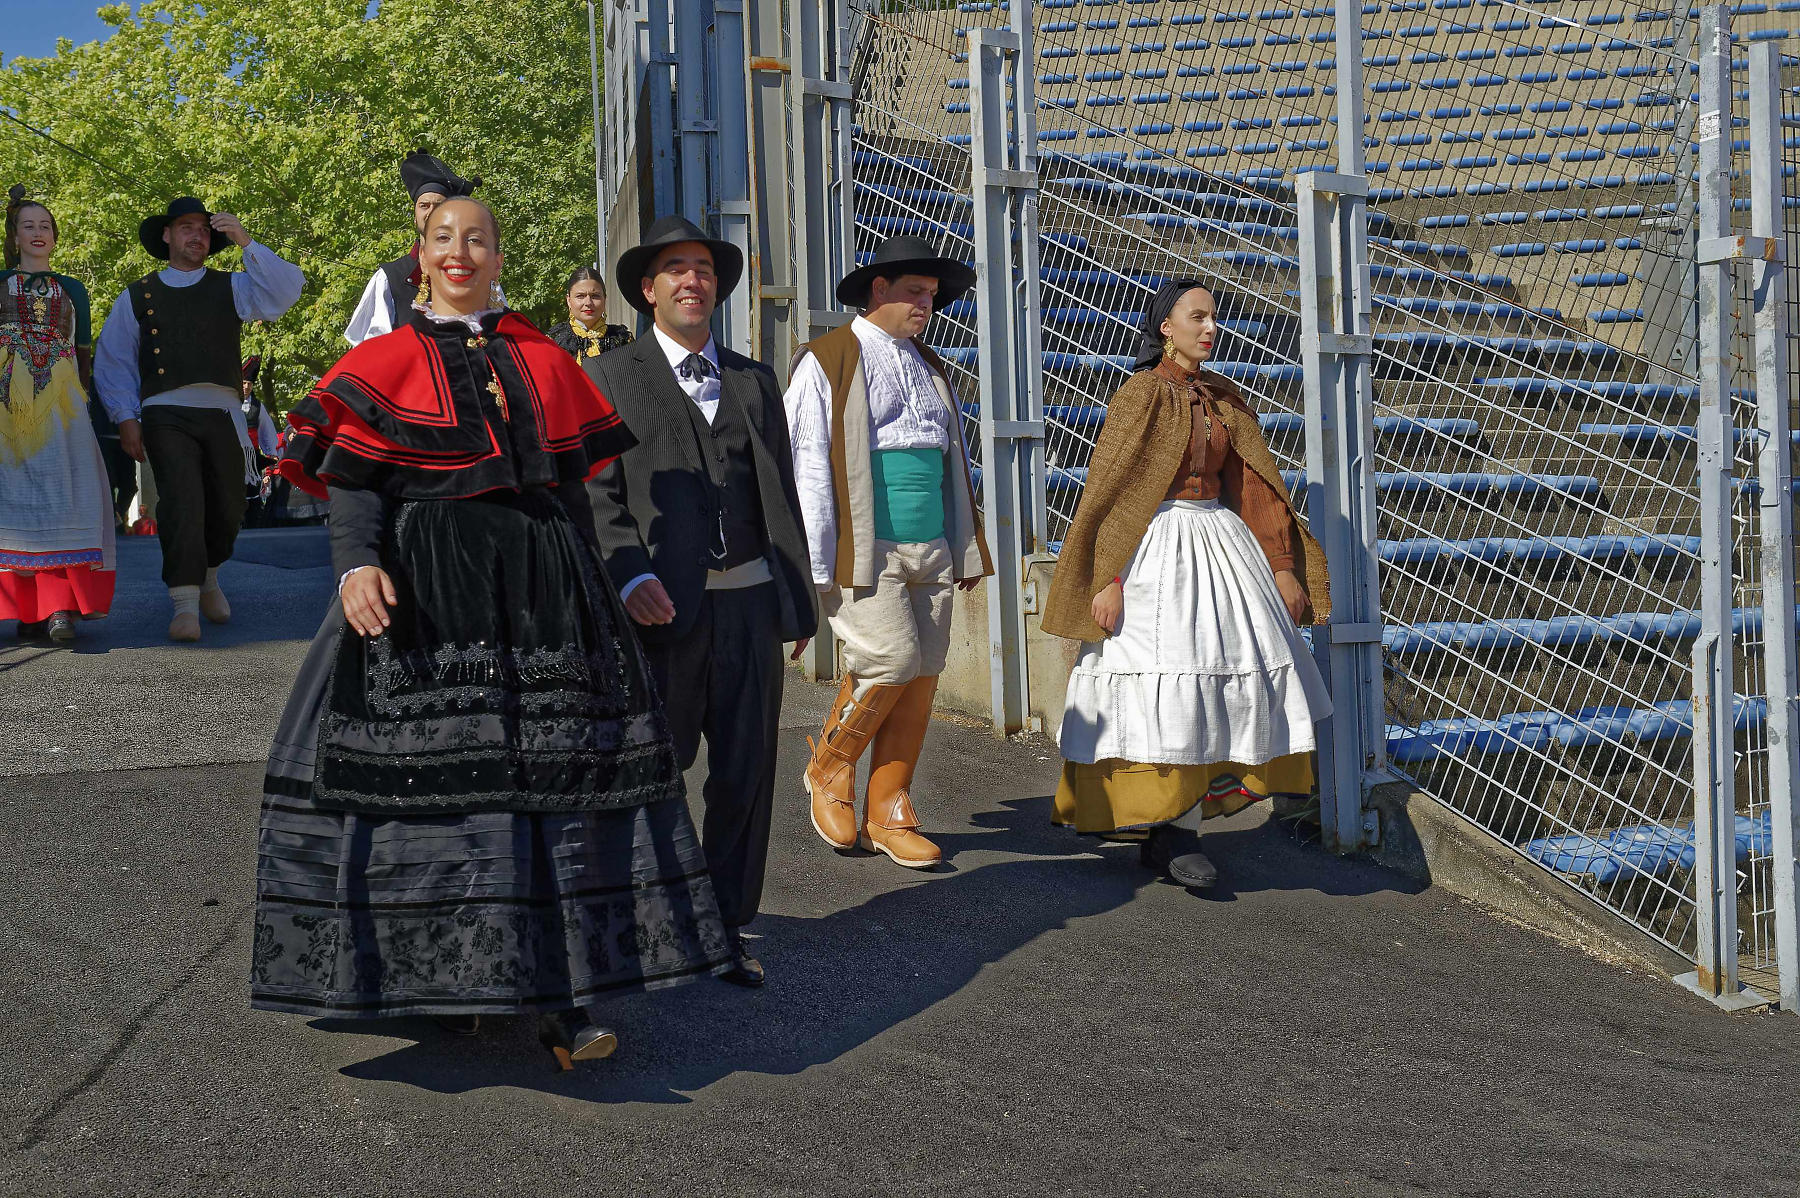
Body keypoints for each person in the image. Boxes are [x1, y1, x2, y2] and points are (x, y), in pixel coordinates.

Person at [251, 196, 729, 1068]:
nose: (460, 252)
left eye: (477, 238)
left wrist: (610, 582)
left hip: (547, 589)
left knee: (556, 787)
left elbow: (579, 494)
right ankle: (449, 982)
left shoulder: (545, 357)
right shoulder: (380, 359)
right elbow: (354, 483)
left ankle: (563, 1000)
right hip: (423, 593)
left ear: (499, 253)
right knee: (437, 792)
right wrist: (357, 565)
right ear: (420, 255)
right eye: (443, 239)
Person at [583, 215, 816, 987]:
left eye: (704, 269)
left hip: (750, 605)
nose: (693, 280)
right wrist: (627, 576)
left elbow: (779, 493)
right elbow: (597, 494)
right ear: (648, 291)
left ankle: (722, 925)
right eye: (676, 269)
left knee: (746, 773)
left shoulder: (753, 379)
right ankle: (644, 919)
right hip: (658, 611)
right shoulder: (613, 377)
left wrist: (793, 596)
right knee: (657, 765)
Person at [1039, 279, 1332, 890]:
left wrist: (1281, 567)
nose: (1210, 328)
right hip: (1150, 553)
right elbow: (1112, 496)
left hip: (1219, 544)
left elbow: (1255, 486)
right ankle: (1151, 820)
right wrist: (1109, 578)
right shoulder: (1139, 396)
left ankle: (1179, 826)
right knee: (1155, 678)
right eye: (1196, 317)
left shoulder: (1225, 399)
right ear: (1164, 328)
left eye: (1214, 318)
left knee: (1216, 676)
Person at [788, 234, 993, 871]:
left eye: (931, 295)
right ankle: (828, 767)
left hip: (929, 545)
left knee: (923, 673)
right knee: (890, 656)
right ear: (878, 291)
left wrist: (960, 545)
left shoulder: (932, 365)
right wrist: (818, 564)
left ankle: (889, 808)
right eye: (914, 292)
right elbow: (810, 467)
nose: (926, 305)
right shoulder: (828, 359)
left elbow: (950, 462)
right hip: (864, 547)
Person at [92, 196, 305, 642]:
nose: (197, 235)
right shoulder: (140, 294)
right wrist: (126, 418)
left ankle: (209, 576)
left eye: (205, 229)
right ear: (166, 235)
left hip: (223, 412)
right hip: (164, 412)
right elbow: (114, 362)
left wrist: (245, 240)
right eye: (186, 227)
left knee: (228, 505)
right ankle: (184, 603)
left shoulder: (233, 286)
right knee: (182, 500)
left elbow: (287, 291)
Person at [0, 186, 115, 642]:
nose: (38, 232)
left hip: (61, 406)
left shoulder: (73, 290)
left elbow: (82, 353)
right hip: (8, 407)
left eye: (45, 225)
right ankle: (25, 609)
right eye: (28, 225)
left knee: (65, 497)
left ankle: (59, 609)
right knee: (14, 504)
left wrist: (82, 405)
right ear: (14, 236)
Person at [343, 149, 479, 346]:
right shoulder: (389, 279)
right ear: (415, 215)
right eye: (424, 206)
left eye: (439, 206)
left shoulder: (478, 275)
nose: (431, 213)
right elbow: (370, 350)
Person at [546, 265, 632, 360]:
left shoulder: (622, 340)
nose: (588, 303)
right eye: (580, 296)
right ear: (569, 300)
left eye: (595, 296)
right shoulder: (553, 341)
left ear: (604, 299)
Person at [238, 356, 280, 527]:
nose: (246, 386)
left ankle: (253, 527)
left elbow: (267, 431)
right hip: (232, 456)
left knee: (252, 493)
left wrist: (271, 453)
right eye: (243, 382)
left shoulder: (257, 406)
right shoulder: (229, 404)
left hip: (252, 457)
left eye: (249, 383)